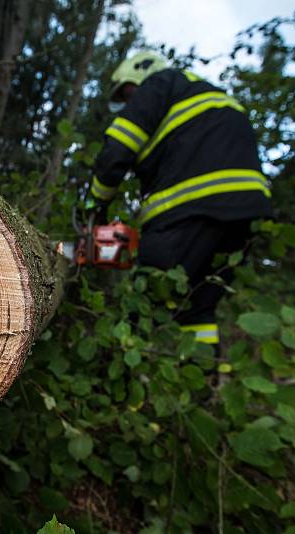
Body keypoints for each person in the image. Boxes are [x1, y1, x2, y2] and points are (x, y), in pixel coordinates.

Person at [86, 51, 273, 347]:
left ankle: (121, 382)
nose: (127, 104)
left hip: (191, 209)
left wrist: (94, 206)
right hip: (245, 214)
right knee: (196, 308)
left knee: (144, 295)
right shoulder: (206, 96)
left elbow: (116, 152)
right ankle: (202, 383)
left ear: (140, 74)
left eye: (127, 94)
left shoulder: (160, 83)